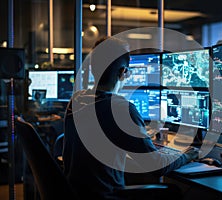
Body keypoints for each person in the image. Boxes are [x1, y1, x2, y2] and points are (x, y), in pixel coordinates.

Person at [62, 36, 199, 199]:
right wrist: (189, 154)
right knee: (172, 192)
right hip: (107, 195)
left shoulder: (76, 100)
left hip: (75, 194)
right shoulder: (121, 108)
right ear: (123, 72)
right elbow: (155, 166)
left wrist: (139, 134)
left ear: (92, 69)